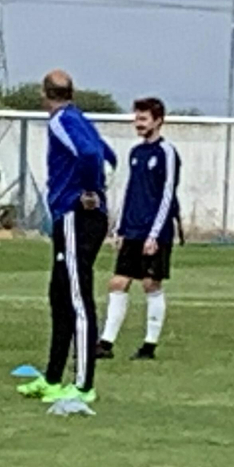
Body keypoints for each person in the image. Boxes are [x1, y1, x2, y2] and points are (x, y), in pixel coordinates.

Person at [17, 69, 117, 405]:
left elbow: (91, 156)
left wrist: (90, 192)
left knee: (77, 298)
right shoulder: (80, 119)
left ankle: (84, 384)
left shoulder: (62, 121)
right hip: (72, 218)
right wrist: (101, 187)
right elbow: (111, 159)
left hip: (76, 217)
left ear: (44, 94)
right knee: (59, 297)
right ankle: (53, 378)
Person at [97, 96, 180, 362]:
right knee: (118, 282)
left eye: (143, 119)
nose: (138, 124)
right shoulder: (135, 152)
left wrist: (155, 234)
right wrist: (119, 229)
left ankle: (149, 345)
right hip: (132, 229)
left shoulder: (166, 153)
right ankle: (106, 343)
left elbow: (167, 194)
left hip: (154, 232)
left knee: (149, 283)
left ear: (158, 121)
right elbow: (130, 192)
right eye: (136, 119)